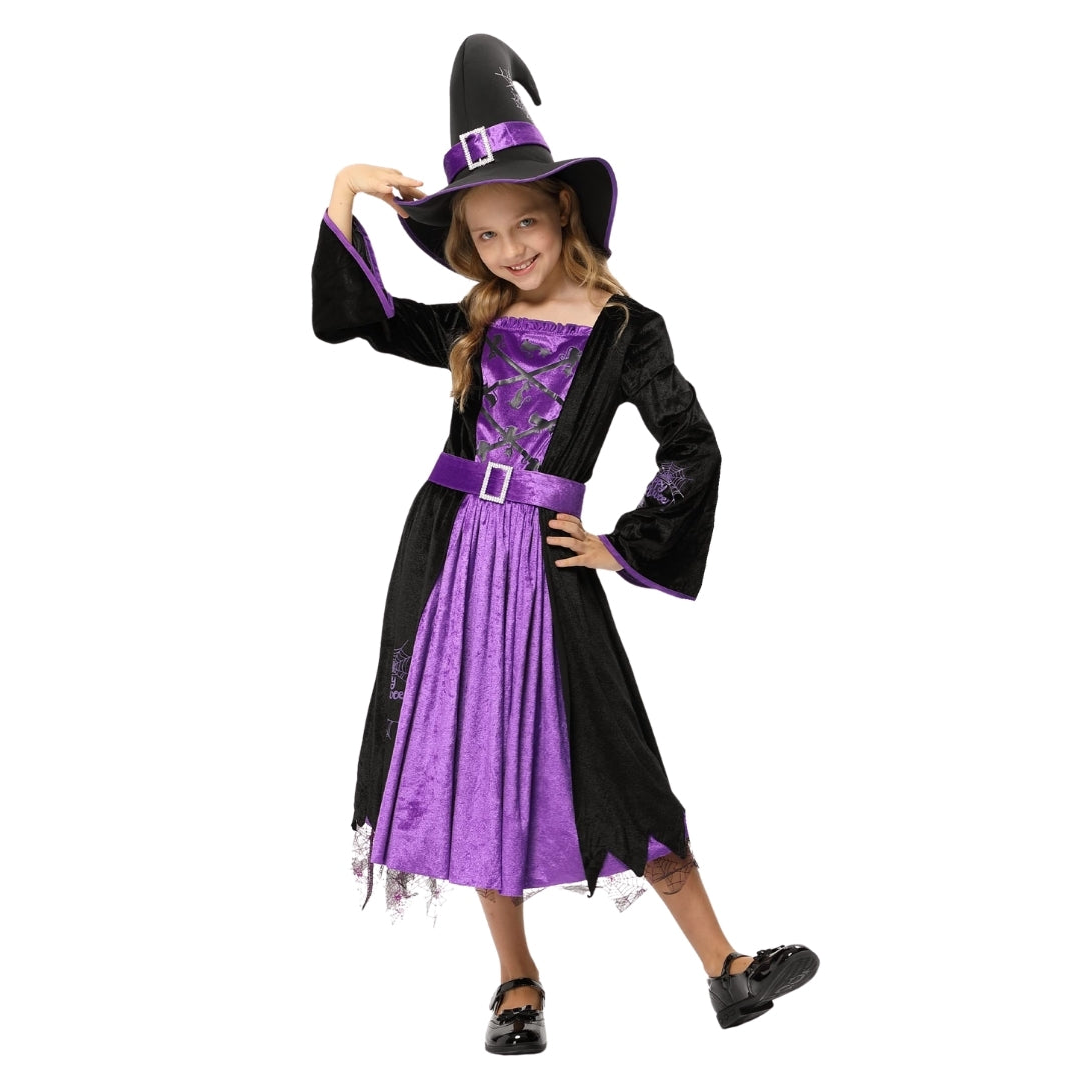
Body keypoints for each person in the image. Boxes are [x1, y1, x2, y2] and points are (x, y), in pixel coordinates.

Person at [311, 34, 818, 1054]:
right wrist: (343, 193)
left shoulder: (627, 329)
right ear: (469, 244)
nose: (511, 249)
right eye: (487, 234)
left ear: (564, 213)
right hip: (450, 557)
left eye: (526, 224)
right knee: (474, 756)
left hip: (547, 563)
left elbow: (692, 446)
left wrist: (622, 546)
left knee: (614, 750)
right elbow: (359, 320)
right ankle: (516, 982)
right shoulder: (477, 318)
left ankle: (724, 969)